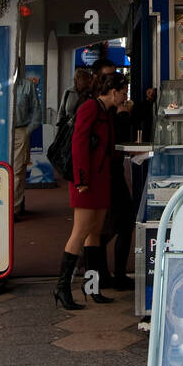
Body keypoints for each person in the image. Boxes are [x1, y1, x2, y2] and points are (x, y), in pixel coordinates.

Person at [55, 71, 129, 310]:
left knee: (94, 233)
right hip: (86, 182)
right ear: (113, 90)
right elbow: (78, 144)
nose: (125, 97)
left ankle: (92, 287)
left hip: (100, 180)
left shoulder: (106, 113)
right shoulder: (89, 108)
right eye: (123, 92)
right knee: (80, 231)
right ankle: (62, 287)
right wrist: (81, 179)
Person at [92, 58, 136, 290]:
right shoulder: (94, 107)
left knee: (115, 223)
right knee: (100, 227)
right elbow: (107, 140)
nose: (111, 81)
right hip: (103, 175)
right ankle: (101, 273)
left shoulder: (102, 107)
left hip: (110, 172)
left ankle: (107, 274)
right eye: (107, 76)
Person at [12, 65, 43, 221]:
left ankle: (14, 210)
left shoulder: (27, 86)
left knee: (18, 171)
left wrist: (26, 131)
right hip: (0, 133)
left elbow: (37, 111)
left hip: (19, 131)